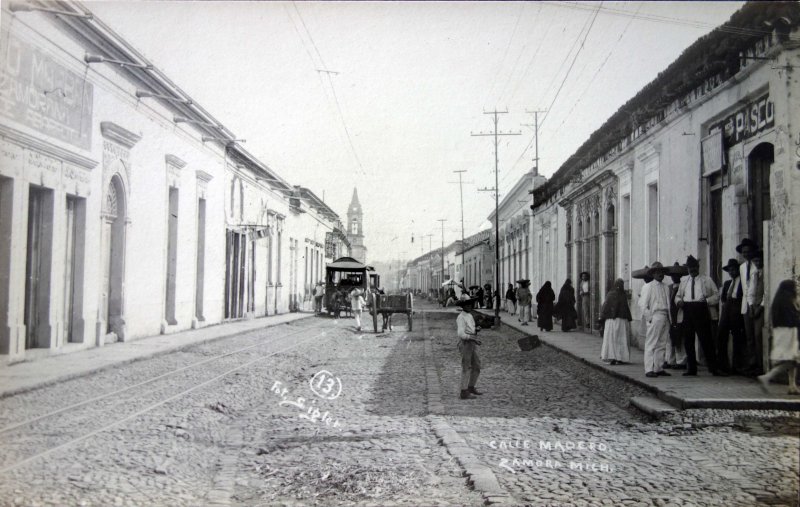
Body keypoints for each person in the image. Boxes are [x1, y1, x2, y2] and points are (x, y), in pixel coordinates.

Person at [674, 255, 722, 376]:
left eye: (694, 267)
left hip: (701, 309)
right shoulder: (684, 281)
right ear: (688, 269)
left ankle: (713, 368)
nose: (692, 270)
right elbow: (677, 296)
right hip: (687, 309)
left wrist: (707, 301)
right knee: (688, 341)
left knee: (706, 340)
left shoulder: (707, 280)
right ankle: (691, 369)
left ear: (698, 267)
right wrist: (678, 301)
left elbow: (717, 295)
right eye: (690, 268)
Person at [758, 280, 799, 395]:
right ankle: (767, 377)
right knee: (792, 360)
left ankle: (792, 386)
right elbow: (793, 320)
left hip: (780, 333)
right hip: (790, 333)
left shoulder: (778, 301)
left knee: (792, 360)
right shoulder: (788, 302)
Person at [639, 262, 671, 378]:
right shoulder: (648, 287)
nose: (660, 274)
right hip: (655, 315)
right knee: (651, 343)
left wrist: (669, 318)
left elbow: (668, 304)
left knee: (662, 343)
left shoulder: (666, 287)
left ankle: (658, 368)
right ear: (652, 274)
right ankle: (648, 369)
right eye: (657, 272)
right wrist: (650, 318)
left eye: (661, 272)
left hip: (665, 316)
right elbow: (642, 305)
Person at [737, 238, 764, 375]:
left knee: (757, 334)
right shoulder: (741, 267)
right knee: (749, 336)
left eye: (748, 251)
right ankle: (752, 363)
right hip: (745, 305)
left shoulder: (758, 265)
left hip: (757, 304)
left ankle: (760, 364)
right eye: (744, 252)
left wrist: (756, 305)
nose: (746, 254)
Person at [716, 259, 745, 374]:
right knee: (721, 335)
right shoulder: (727, 283)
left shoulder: (743, 282)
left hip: (737, 310)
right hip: (726, 310)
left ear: (738, 270)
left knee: (737, 337)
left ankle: (736, 366)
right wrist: (725, 306)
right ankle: (723, 365)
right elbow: (723, 297)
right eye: (730, 270)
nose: (732, 272)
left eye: (733, 269)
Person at [600, 279, 632, 365]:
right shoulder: (620, 295)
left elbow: (605, 306)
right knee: (619, 339)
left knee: (614, 339)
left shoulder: (612, 294)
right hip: (617, 320)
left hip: (615, 320)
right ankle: (618, 357)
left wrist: (602, 317)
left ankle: (616, 357)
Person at [456, 297, 483, 399]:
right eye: (467, 305)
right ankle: (463, 391)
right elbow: (461, 334)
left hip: (472, 343)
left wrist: (476, 329)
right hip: (465, 343)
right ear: (462, 306)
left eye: (470, 304)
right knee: (466, 367)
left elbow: (470, 329)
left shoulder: (470, 315)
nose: (469, 306)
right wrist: (472, 338)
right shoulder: (460, 317)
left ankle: (471, 386)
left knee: (477, 365)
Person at [664, 264, 687, 370]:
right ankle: (670, 359)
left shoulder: (684, 286)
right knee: (670, 339)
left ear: (680, 276)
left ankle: (681, 361)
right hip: (670, 314)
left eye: (677, 275)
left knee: (680, 338)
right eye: (673, 275)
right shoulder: (668, 288)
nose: (674, 277)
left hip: (680, 314)